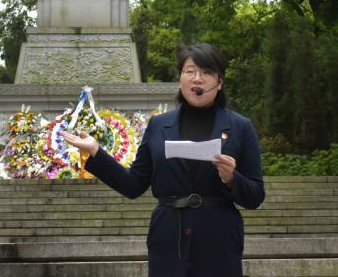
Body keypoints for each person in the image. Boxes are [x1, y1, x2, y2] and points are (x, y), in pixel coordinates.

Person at [63, 42, 265, 276]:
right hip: (167, 238)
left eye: (206, 72)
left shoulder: (240, 127)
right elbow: (133, 184)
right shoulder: (159, 125)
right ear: (180, 79)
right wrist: (96, 152)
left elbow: (256, 196)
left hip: (219, 240)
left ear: (219, 82)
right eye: (190, 71)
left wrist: (232, 179)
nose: (197, 79)